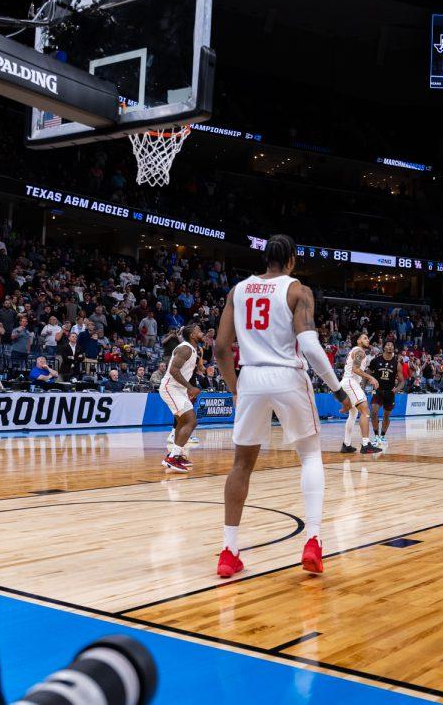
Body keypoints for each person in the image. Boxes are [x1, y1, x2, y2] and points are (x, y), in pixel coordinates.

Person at [213, 234, 348, 578]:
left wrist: (234, 388)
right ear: (291, 261)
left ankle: (229, 552)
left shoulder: (238, 290)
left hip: (251, 378)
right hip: (287, 375)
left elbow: (220, 347)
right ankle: (314, 541)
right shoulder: (297, 291)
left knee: (241, 464)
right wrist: (338, 390)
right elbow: (311, 347)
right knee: (311, 455)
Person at [158, 323, 205, 473]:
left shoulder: (192, 348)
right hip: (170, 388)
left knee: (183, 421)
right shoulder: (185, 348)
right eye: (199, 331)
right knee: (191, 421)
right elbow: (173, 370)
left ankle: (175, 455)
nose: (202, 333)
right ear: (192, 335)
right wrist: (191, 388)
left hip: (179, 389)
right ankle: (171, 459)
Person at [339, 332, 383, 455]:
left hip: (348, 382)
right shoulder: (360, 351)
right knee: (365, 411)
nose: (367, 340)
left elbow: (350, 371)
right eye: (365, 338)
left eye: (368, 338)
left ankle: (346, 445)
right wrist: (371, 378)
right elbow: (355, 369)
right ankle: (366, 445)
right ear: (358, 341)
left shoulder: (355, 351)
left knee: (353, 415)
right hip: (350, 382)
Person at [366, 340, 403, 448]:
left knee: (386, 416)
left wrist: (396, 390)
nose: (390, 346)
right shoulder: (375, 360)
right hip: (377, 390)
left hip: (389, 393)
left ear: (393, 348)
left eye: (392, 345)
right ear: (384, 347)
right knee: (373, 412)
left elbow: (402, 381)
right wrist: (365, 385)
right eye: (388, 345)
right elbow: (367, 375)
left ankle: (382, 436)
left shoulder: (397, 363)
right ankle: (376, 436)